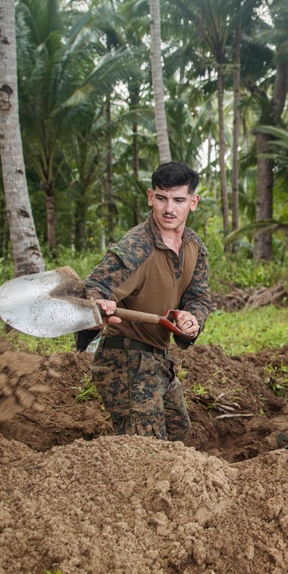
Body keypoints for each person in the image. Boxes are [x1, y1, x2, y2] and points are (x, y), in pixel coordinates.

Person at [83, 161, 212, 441]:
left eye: (179, 200)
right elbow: (95, 288)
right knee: (148, 451)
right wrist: (98, 307)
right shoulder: (136, 246)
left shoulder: (193, 246)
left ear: (193, 202)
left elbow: (199, 297)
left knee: (179, 432)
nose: (169, 209)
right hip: (126, 361)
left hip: (159, 360)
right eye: (162, 198)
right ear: (150, 197)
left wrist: (192, 320)